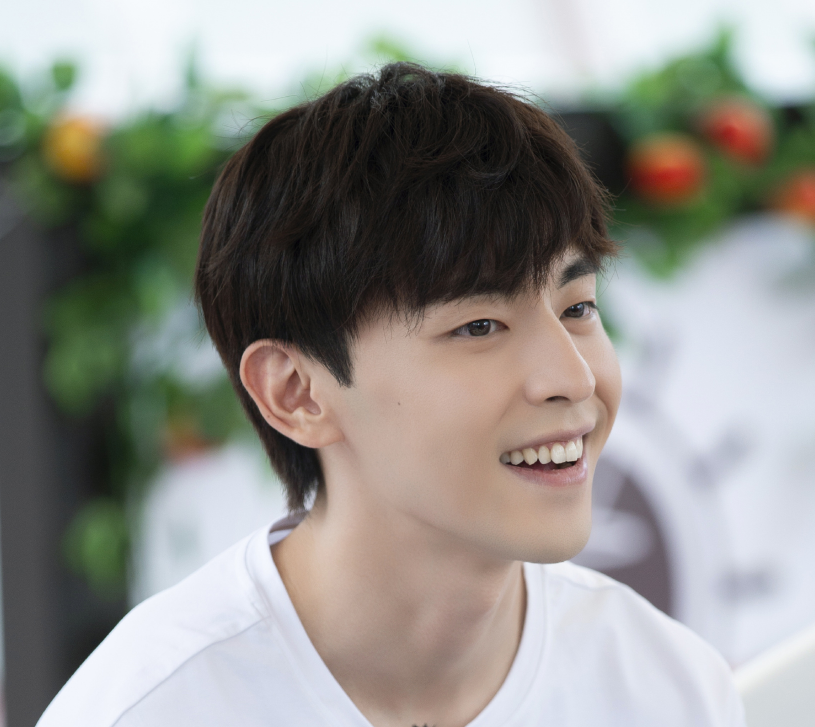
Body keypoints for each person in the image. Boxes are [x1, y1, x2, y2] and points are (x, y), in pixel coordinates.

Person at [38, 62, 746, 727]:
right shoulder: (153, 706)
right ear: (296, 392)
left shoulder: (669, 690)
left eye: (578, 307)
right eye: (479, 325)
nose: (573, 378)